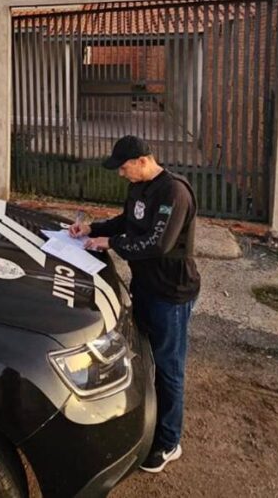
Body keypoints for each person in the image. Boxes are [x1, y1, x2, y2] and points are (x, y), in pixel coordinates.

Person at [69, 135, 199, 474]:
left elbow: (159, 243)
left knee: (170, 369)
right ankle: (147, 421)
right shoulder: (139, 188)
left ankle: (169, 442)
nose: (121, 174)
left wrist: (110, 242)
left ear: (143, 160)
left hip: (171, 294)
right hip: (145, 286)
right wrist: (91, 229)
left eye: (124, 168)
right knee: (143, 357)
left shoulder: (174, 192)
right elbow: (127, 221)